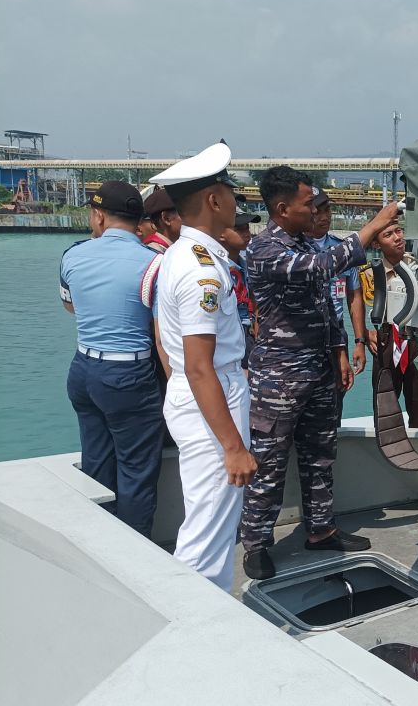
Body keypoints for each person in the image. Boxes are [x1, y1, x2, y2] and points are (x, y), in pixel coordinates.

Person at [241, 165, 401, 580]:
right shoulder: (266, 250)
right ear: (281, 208)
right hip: (279, 378)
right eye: (307, 203)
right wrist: (374, 225)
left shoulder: (302, 243)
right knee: (270, 461)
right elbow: (321, 270)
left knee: (320, 455)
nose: (315, 210)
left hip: (319, 371)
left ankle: (321, 529)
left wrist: (341, 351)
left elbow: (327, 308)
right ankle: (256, 543)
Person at [149, 142, 257, 590]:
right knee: (208, 535)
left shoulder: (182, 255)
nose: (237, 202)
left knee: (209, 520)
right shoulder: (202, 272)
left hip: (200, 400)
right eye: (231, 193)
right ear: (214, 200)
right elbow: (198, 366)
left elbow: (170, 348)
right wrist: (232, 446)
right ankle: (192, 633)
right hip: (213, 399)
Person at [59, 180, 165, 537]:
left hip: (83, 369)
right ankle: (135, 552)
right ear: (139, 220)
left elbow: (70, 306)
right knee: (136, 470)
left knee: (95, 462)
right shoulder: (155, 264)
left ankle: (97, 544)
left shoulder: (72, 254)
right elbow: (162, 327)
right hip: (129, 373)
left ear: (99, 216)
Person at [363, 221, 418, 428]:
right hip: (386, 340)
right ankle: (384, 449)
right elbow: (357, 306)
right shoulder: (370, 274)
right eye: (388, 234)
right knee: (384, 407)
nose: (397, 237)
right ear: (376, 244)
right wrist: (365, 335)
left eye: (399, 231)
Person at [308, 187, 367, 385]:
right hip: (306, 335)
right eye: (318, 212)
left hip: (337, 334)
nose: (324, 217)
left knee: (337, 393)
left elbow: (354, 296)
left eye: (328, 210)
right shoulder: (295, 251)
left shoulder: (342, 250)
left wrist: (360, 341)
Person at [219, 206, 260, 367]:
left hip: (248, 332)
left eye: (247, 228)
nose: (247, 233)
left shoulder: (248, 266)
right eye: (239, 229)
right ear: (221, 233)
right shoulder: (218, 271)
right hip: (228, 335)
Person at [141, 186, 181, 253]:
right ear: (166, 218)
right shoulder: (154, 252)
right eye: (183, 214)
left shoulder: (174, 248)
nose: (189, 219)